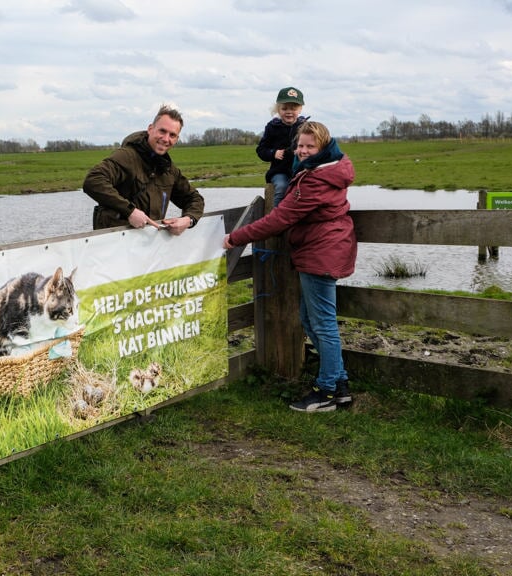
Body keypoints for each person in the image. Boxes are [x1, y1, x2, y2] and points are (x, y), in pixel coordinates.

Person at [223, 120, 356, 412]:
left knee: (322, 325)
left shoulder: (316, 179)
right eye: (300, 145)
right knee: (311, 321)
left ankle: (327, 391)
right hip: (323, 249)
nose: (303, 151)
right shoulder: (328, 169)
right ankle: (340, 384)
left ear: (323, 147)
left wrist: (235, 237)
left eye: (310, 146)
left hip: (321, 253)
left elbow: (279, 219)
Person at [83, 104, 205, 235]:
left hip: (148, 246)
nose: (166, 139)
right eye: (162, 131)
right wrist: (129, 211)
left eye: (172, 135)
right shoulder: (127, 156)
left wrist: (188, 220)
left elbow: (194, 199)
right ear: (150, 129)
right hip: (114, 243)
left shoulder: (168, 170)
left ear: (177, 139)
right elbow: (93, 180)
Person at [256, 87, 308, 207]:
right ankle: (277, 218)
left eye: (293, 108)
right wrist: (273, 153)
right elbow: (261, 150)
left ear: (300, 110)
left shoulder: (305, 127)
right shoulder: (272, 127)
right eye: (284, 108)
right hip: (280, 171)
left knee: (309, 187)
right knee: (282, 187)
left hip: (301, 170)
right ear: (278, 110)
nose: (289, 112)